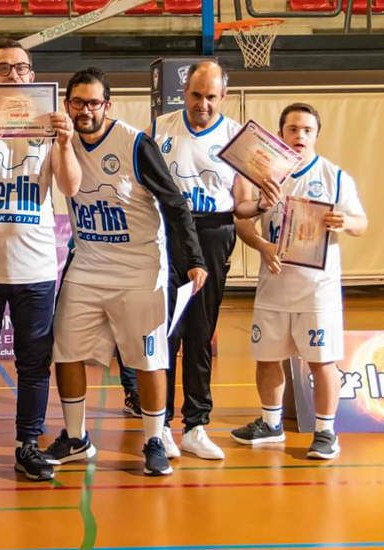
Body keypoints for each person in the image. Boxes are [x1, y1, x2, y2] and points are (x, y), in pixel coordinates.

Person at [42, 68, 206, 477]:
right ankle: (77, 437)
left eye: (93, 103)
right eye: (77, 102)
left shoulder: (134, 142)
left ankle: (154, 437)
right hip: (88, 264)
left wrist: (193, 258)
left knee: (149, 358)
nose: (85, 111)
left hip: (139, 270)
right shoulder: (61, 141)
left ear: (107, 105)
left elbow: (174, 202)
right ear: (67, 105)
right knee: (65, 350)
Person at [0, 39, 81, 481]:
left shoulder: (50, 124)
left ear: (32, 74)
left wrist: (65, 144)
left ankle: (28, 443)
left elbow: (70, 186)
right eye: (3, 68)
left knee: (33, 360)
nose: (13, 75)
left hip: (36, 267)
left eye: (21, 68)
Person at [231, 102, 367, 459]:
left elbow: (361, 223)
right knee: (267, 358)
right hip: (273, 286)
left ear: (316, 135)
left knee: (323, 362)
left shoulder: (334, 176)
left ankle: (325, 431)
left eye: (307, 130)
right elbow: (242, 219)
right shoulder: (264, 175)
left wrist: (344, 221)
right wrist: (261, 245)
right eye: (292, 129)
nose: (299, 136)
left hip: (316, 291)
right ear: (280, 134)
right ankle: (271, 423)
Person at [148, 60, 256, 460]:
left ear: (223, 96)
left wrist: (263, 202)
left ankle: (196, 425)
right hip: (168, 233)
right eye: (196, 95)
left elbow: (243, 204)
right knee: (165, 332)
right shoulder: (159, 129)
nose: (203, 104)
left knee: (201, 332)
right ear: (185, 93)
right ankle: (158, 425)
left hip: (214, 233)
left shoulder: (236, 138)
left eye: (211, 97)